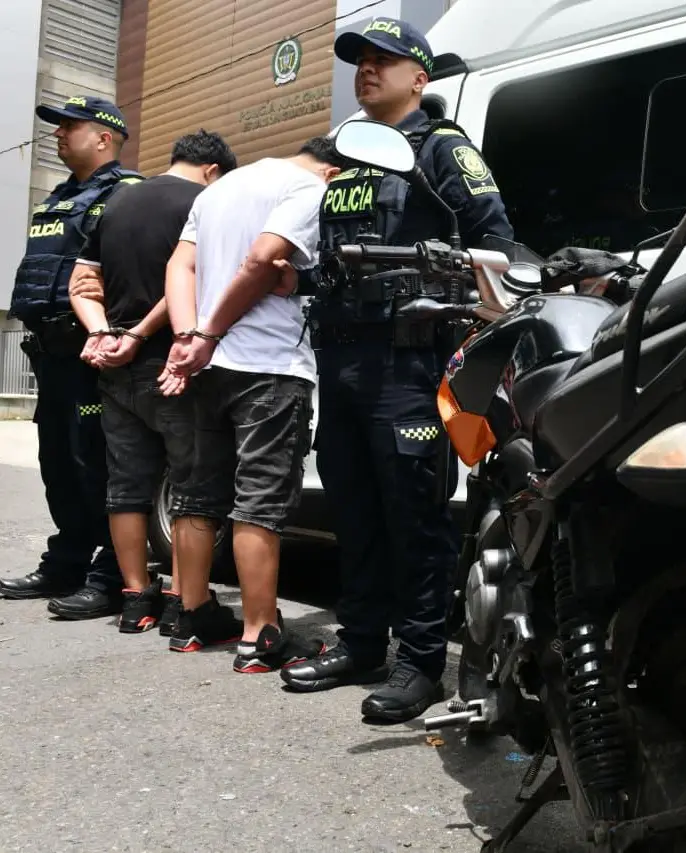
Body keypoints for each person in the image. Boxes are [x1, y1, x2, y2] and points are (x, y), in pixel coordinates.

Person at [277, 18, 514, 723]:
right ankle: (360, 642)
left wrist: (462, 317)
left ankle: (420, 662)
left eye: (384, 60)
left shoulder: (442, 148)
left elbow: (494, 241)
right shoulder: (351, 156)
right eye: (360, 61)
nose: (367, 70)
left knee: (413, 516)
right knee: (353, 510)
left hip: (408, 362)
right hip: (342, 360)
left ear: (420, 77)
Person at [156, 137, 345, 673]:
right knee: (259, 498)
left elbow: (180, 266)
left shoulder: (220, 188)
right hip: (268, 365)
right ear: (332, 171)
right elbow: (263, 259)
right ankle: (261, 634)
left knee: (196, 494)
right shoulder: (308, 188)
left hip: (207, 368)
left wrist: (188, 336)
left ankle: (192, 616)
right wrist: (210, 333)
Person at [67, 130, 238, 635]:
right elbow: (188, 280)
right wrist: (140, 335)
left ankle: (135, 598)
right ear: (213, 170)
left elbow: (82, 284)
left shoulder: (117, 202)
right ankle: (186, 602)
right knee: (191, 485)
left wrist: (102, 333)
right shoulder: (204, 203)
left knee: (125, 485)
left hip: (115, 369)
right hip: (173, 365)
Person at [1, 96, 142, 619]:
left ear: (105, 137)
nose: (58, 134)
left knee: (95, 466)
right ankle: (66, 562)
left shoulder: (127, 194)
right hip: (49, 356)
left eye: (70, 126)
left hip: (93, 357)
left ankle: (112, 575)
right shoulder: (60, 197)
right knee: (58, 465)